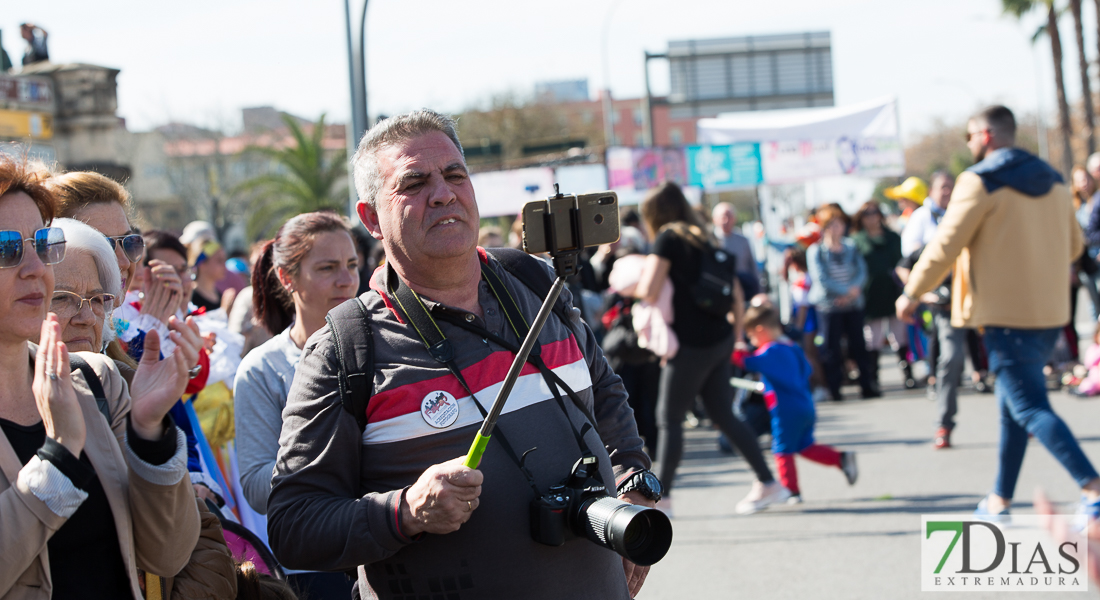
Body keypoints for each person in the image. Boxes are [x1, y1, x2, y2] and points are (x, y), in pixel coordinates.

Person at [267, 110, 656, 599]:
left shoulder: (534, 281)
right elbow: (293, 524)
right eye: (414, 182)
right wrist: (405, 511)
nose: (443, 192)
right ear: (371, 219)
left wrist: (636, 483)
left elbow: (604, 392)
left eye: (455, 174)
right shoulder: (346, 347)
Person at [0, 155, 203, 598]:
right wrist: (57, 459)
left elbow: (168, 554)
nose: (36, 267)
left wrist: (149, 433)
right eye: (6, 248)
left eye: (42, 242)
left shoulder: (97, 380)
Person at [897, 105, 1100, 525]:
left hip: (1005, 315)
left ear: (987, 135)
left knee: (1027, 405)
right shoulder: (1055, 180)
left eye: (970, 136)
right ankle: (999, 501)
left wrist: (912, 291)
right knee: (1012, 407)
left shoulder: (979, 181)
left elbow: (944, 246)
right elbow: (1075, 248)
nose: (969, 145)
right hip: (1049, 313)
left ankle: (1092, 488)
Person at [48, 218, 236, 599]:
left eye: (99, 299)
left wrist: (150, 431)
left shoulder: (121, 385)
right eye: (64, 297)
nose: (86, 316)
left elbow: (186, 548)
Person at [635, 181, 786, 516]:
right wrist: (734, 337)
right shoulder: (704, 236)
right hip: (718, 339)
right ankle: (768, 482)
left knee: (669, 418)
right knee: (723, 414)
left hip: (691, 343)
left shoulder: (668, 239)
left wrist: (630, 281)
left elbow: (648, 289)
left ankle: (664, 498)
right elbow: (735, 293)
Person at [234, 211, 359, 599]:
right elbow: (256, 485)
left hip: (395, 543)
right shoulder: (262, 369)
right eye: (327, 267)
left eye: (352, 265)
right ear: (287, 278)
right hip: (316, 566)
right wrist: (332, 455)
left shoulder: (387, 346)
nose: (346, 280)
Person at [732, 304, 858, 503]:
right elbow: (807, 369)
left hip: (785, 409)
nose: (753, 342)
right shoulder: (792, 346)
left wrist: (736, 346)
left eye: (752, 337)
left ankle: (791, 491)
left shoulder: (769, 351)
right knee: (804, 445)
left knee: (782, 449)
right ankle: (840, 459)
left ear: (760, 331)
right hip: (805, 404)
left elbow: (746, 361)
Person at [807, 204, 878, 400]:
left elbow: (861, 271)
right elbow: (821, 278)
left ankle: (867, 385)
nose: (836, 228)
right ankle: (835, 389)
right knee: (831, 349)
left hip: (853, 304)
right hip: (830, 305)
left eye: (839, 224)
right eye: (832, 224)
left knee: (859, 346)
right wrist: (843, 292)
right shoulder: (816, 251)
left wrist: (852, 292)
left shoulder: (851, 246)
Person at [850, 200, 909, 390]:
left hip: (893, 291)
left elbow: (902, 261)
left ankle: (908, 374)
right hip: (871, 294)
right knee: (873, 338)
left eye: (874, 213)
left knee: (899, 335)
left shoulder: (892, 237)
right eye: (867, 214)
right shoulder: (857, 240)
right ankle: (873, 377)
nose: (871, 217)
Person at [712, 202, 759, 294]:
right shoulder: (710, 240)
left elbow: (752, 266)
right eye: (723, 217)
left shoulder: (743, 240)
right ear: (715, 219)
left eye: (729, 216)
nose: (726, 220)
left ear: (734, 218)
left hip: (744, 288)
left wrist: (759, 290)